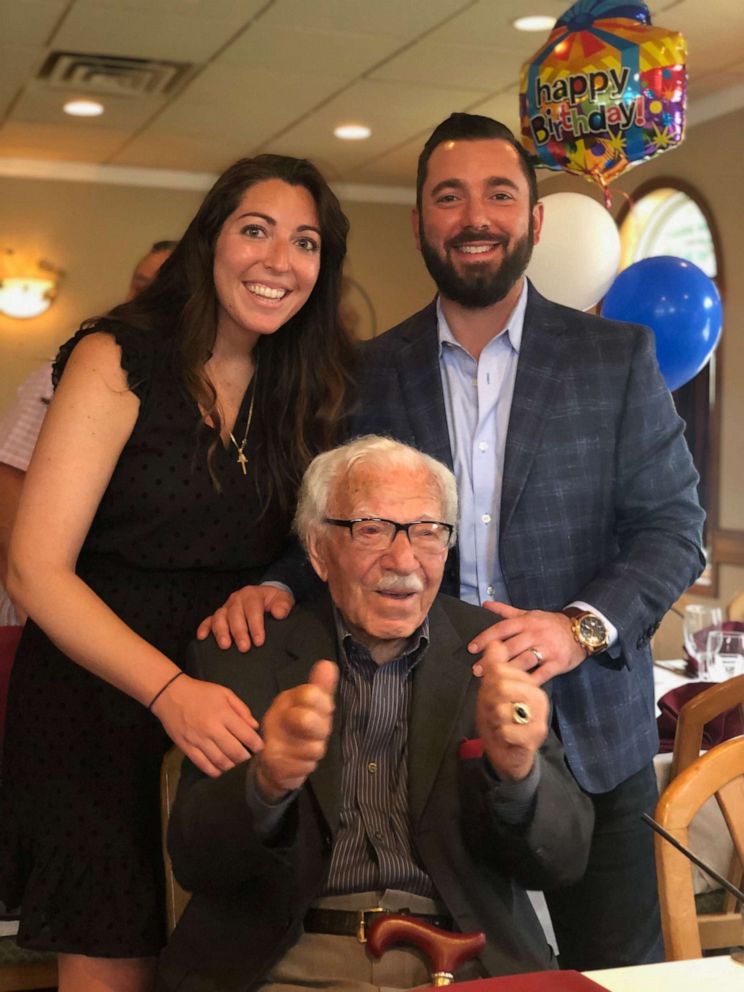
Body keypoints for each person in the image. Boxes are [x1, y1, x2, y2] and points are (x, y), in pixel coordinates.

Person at [202, 114, 706, 972]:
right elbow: (326, 518)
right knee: (470, 958)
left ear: (535, 221)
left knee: (615, 976)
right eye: (450, 196)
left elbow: (675, 529)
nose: (475, 215)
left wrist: (575, 627)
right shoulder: (362, 371)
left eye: (500, 193)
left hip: (587, 732)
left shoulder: (616, 358)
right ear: (420, 223)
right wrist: (279, 583)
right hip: (419, 745)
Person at [0, 154, 353, 992]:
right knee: (116, 957)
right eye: (255, 230)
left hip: (235, 704)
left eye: (305, 242)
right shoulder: (116, 357)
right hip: (103, 701)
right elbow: (32, 569)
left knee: (223, 961)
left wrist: (275, 586)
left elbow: (314, 547)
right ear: (210, 240)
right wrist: (167, 692)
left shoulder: (303, 382)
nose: (279, 260)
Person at [158, 436, 593, 992]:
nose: (403, 560)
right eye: (372, 529)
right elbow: (196, 860)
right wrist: (265, 783)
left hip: (465, 960)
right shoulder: (247, 652)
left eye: (428, 532)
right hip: (291, 960)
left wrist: (519, 775)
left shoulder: (490, 652)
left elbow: (564, 859)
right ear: (318, 549)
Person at [0, 240, 177, 627]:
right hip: (40, 609)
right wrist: (30, 604)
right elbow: (9, 479)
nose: (140, 298)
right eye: (138, 284)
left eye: (157, 288)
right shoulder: (69, 374)